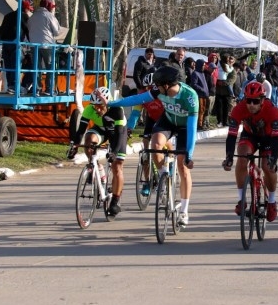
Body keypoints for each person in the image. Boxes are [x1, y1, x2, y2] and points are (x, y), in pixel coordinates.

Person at [102, 65, 199, 226]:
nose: (155, 88)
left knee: (183, 166)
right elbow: (137, 100)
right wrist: (112, 103)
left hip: (184, 126)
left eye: (158, 85)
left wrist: (189, 154)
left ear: (167, 85)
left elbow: (192, 128)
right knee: (155, 144)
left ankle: (184, 212)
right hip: (167, 120)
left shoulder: (190, 97)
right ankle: (163, 175)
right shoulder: (159, 91)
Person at [222, 81, 278, 222]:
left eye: (255, 101)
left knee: (268, 167)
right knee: (241, 157)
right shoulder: (239, 109)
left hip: (268, 139)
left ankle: (272, 201)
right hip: (250, 136)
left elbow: (276, 139)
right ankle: (241, 200)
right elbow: (231, 135)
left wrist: (274, 159)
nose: (252, 105)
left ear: (262, 100)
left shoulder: (272, 110)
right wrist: (229, 157)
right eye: (249, 100)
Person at [67, 87, 128, 217]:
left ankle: (115, 201)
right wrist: (74, 146)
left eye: (100, 106)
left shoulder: (117, 110)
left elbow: (119, 134)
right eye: (95, 106)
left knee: (117, 166)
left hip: (117, 133)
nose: (97, 109)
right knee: (89, 140)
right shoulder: (90, 109)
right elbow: (80, 132)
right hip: (101, 130)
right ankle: (96, 167)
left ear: (107, 102)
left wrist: (114, 152)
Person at [126, 71, 166, 197]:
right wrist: (129, 128)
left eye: (151, 87)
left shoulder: (163, 95)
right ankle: (147, 181)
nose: (148, 90)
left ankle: (168, 163)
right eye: (146, 87)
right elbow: (135, 113)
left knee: (164, 143)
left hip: (164, 120)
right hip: (151, 120)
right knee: (145, 151)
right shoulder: (143, 95)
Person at [28, 0, 60, 96]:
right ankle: (49, 89)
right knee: (50, 67)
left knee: (36, 68)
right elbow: (57, 32)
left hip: (34, 45)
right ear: (48, 7)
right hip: (47, 45)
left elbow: (29, 28)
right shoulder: (50, 16)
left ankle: (37, 89)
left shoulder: (32, 16)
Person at [0, 0, 32, 94]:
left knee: (9, 66)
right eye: (28, 9)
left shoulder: (8, 15)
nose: (28, 11)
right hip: (15, 43)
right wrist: (31, 42)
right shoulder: (24, 16)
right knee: (16, 65)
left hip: (5, 43)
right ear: (25, 8)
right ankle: (14, 87)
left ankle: (10, 86)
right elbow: (27, 30)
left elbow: (1, 31)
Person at [185, 57, 209, 128]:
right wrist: (202, 89)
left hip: (205, 95)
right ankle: (199, 124)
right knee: (200, 110)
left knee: (204, 110)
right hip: (199, 95)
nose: (204, 67)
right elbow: (194, 84)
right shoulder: (195, 73)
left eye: (204, 65)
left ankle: (202, 123)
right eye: (203, 65)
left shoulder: (202, 73)